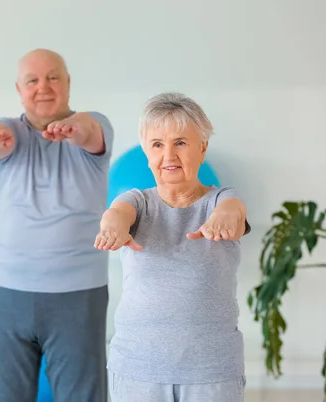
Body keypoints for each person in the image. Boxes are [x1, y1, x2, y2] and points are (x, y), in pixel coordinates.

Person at [0, 48, 115, 402]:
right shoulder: (8, 131)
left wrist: (74, 128)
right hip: (7, 290)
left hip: (77, 292)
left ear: (68, 83)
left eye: (53, 77)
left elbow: (89, 130)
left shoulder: (94, 124)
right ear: (19, 89)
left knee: (81, 394)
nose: (44, 86)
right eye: (32, 80)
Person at [95, 92, 250, 402]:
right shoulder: (136, 201)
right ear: (146, 153)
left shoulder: (222, 200)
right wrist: (112, 224)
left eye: (180, 142)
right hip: (137, 372)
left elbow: (233, 212)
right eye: (157, 145)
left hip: (211, 373)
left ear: (202, 148)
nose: (169, 155)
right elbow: (118, 213)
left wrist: (224, 220)